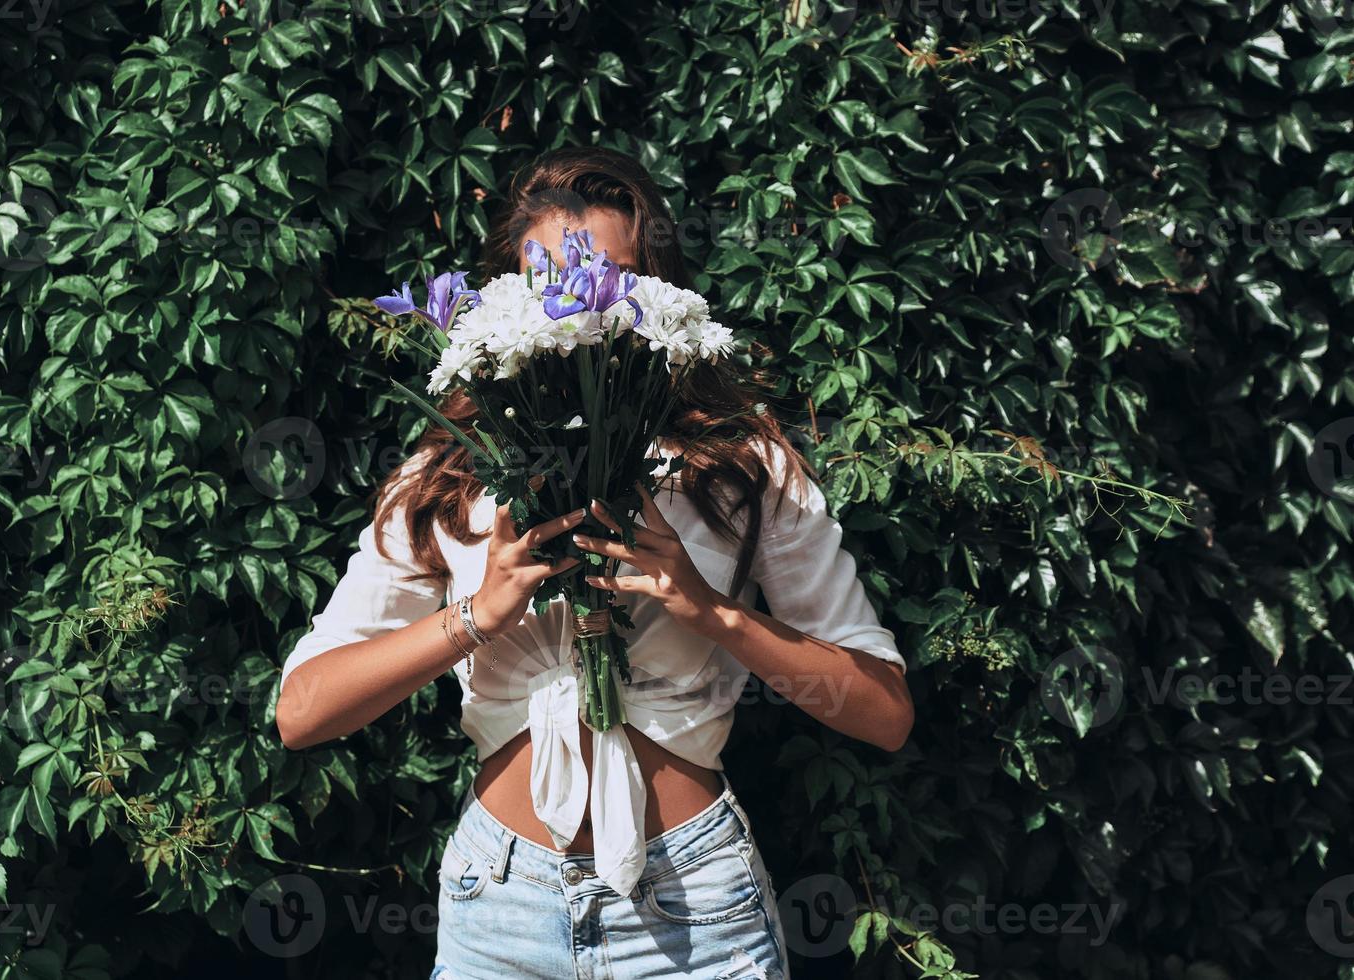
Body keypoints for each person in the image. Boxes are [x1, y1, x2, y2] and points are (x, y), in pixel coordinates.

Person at [275, 146, 914, 979]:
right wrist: (474, 617)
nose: (574, 301)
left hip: (694, 909)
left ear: (653, 292)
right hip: (500, 909)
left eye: (604, 276)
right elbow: (303, 713)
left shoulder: (742, 468)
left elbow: (883, 713)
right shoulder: (451, 477)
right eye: (548, 280)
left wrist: (710, 610)